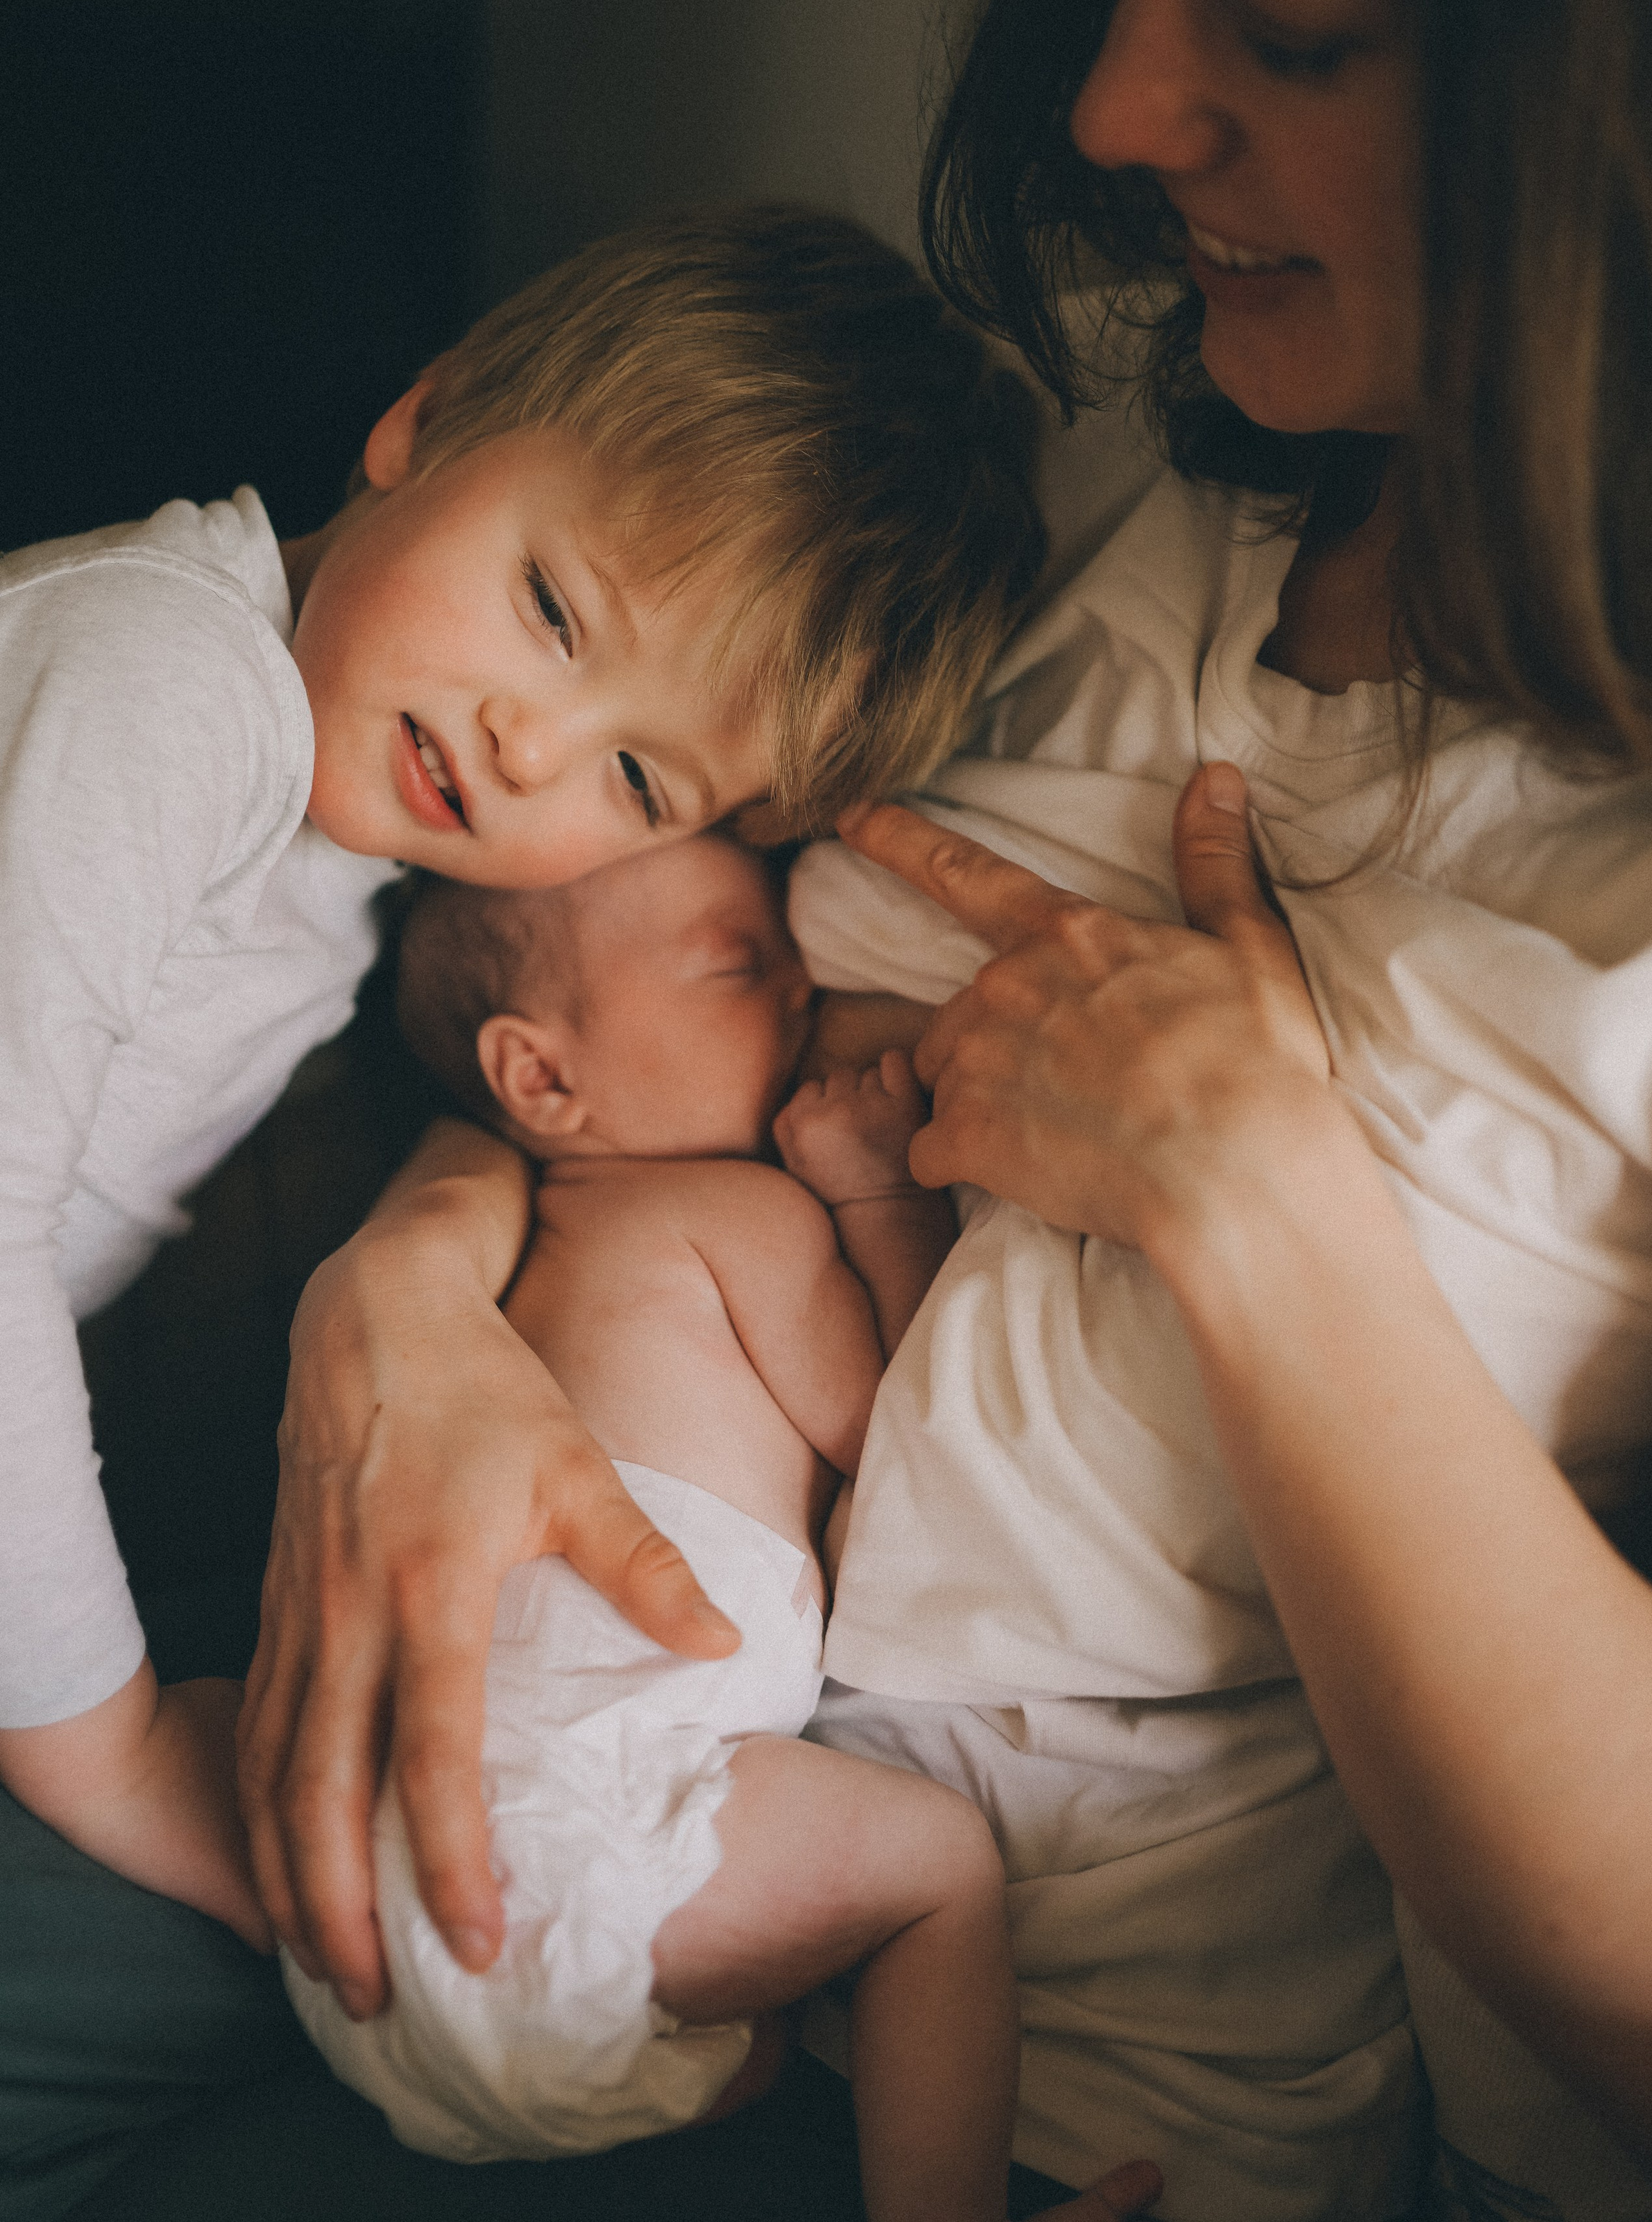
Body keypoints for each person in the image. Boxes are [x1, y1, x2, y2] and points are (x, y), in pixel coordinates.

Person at [180, 2, 1652, 2219]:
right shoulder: (1118, 478)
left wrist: (1256, 1198)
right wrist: (423, 1284)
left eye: (1295, 38)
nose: (1118, 116)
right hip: (604, 1792)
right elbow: (591, 962)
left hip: (1068, 2092)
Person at [0, 206, 1041, 2222]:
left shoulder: (329, 812)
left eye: (644, 780)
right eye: (557, 610)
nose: (529, 746)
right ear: (429, 416)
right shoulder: (164, 686)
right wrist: (110, 1748)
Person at [287, 835, 1158, 2222]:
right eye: (735, 969)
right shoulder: (729, 1213)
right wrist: (874, 1196)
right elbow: (901, 1430)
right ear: (538, 1075)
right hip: (595, 1828)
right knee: (939, 1871)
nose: (801, 988)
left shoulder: (518, 1250)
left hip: (371, 1892)